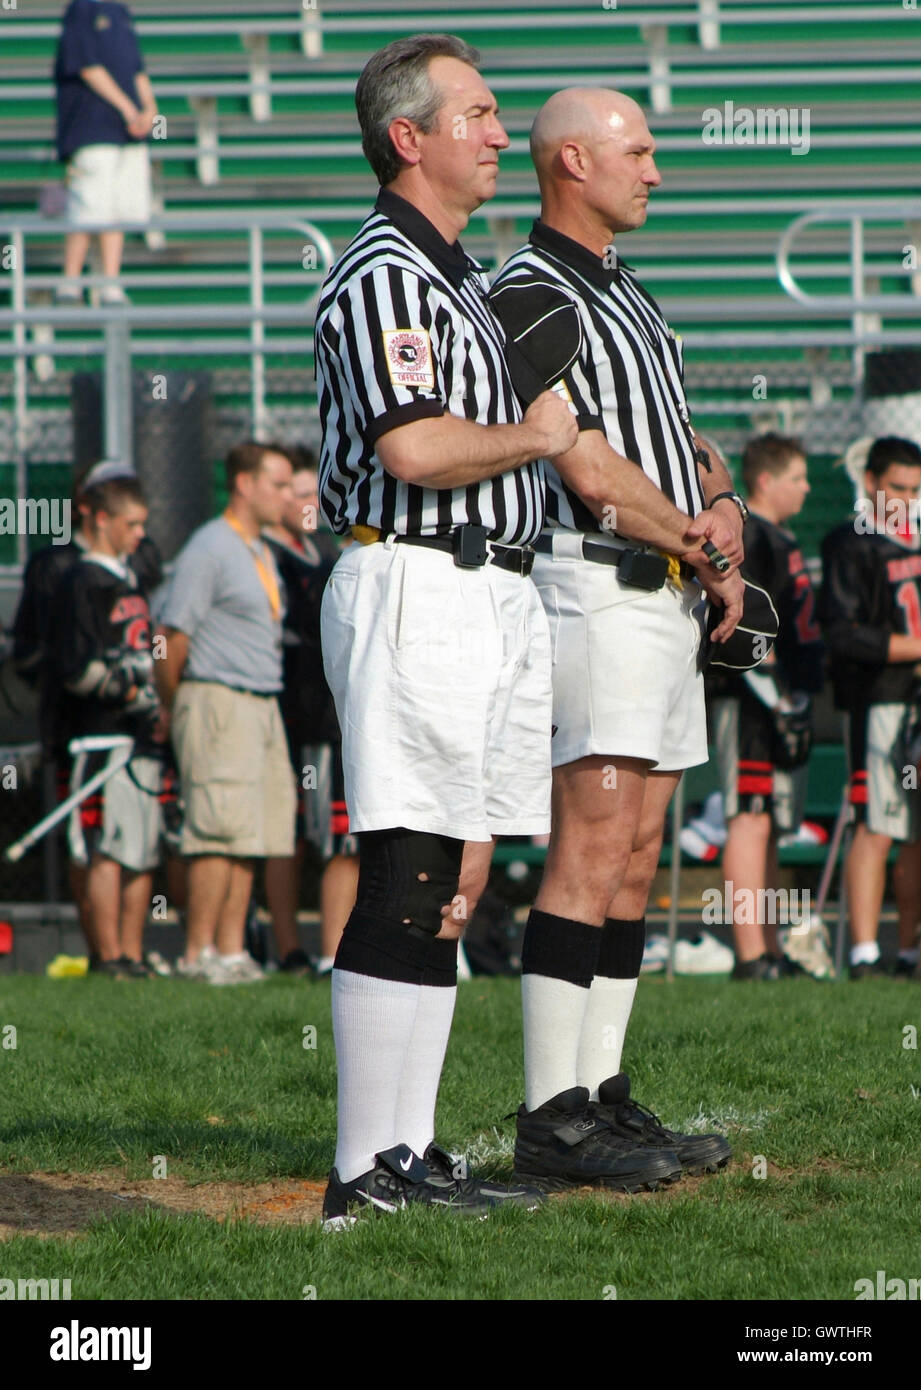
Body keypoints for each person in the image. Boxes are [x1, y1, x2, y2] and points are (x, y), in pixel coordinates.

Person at [313, 33, 580, 1224]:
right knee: (410, 861)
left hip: (489, 586)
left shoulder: (464, 277)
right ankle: (361, 1168)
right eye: (473, 111)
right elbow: (412, 448)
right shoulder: (382, 271)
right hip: (417, 579)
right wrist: (539, 437)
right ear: (405, 137)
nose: (494, 130)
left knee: (457, 872)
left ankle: (408, 1152)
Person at [489, 88, 744, 1187]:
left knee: (638, 852)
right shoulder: (525, 287)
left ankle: (600, 1094)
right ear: (572, 161)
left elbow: (679, 432)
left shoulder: (629, 288)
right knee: (590, 843)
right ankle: (550, 1114)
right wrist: (697, 537)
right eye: (637, 152)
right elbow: (582, 466)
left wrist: (722, 506)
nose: (655, 170)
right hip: (592, 582)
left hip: (662, 584)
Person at [154, 441, 297, 987]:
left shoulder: (259, 548)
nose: (287, 497)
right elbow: (168, 638)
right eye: (278, 485)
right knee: (215, 829)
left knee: (251, 829)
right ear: (244, 483)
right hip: (216, 698)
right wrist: (177, 704)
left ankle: (231, 950)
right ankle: (196, 954)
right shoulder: (208, 547)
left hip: (261, 701)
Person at [11, 459, 162, 968]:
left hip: (137, 736)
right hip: (97, 737)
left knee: (141, 848)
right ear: (99, 518)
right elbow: (76, 667)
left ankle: (135, 955)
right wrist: (129, 692)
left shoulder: (131, 576)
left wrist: (151, 700)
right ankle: (109, 956)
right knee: (105, 847)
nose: (141, 535)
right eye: (131, 525)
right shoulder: (79, 579)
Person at [710, 434, 825, 980]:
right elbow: (746, 626)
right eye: (797, 477)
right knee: (749, 819)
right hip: (752, 696)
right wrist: (777, 697)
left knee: (771, 825)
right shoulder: (752, 538)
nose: (806, 487)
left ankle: (771, 950)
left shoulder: (783, 539)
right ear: (765, 480)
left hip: (779, 699)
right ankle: (750, 953)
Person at [819, 435, 921, 980]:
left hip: (917, 702)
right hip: (879, 698)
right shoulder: (851, 542)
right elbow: (845, 634)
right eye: (897, 488)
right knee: (878, 823)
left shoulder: (918, 539)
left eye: (914, 489)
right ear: (871, 483)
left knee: (914, 831)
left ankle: (907, 951)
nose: (906, 499)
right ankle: (863, 953)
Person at [262, 452, 358, 977]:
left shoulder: (316, 555)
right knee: (336, 841)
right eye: (291, 491)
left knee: (352, 840)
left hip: (343, 723)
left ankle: (340, 952)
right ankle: (322, 953)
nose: (303, 503)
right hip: (319, 725)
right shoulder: (316, 567)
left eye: (306, 492)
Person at [54, 0, 157, 304]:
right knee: (89, 205)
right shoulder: (81, 10)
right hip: (93, 128)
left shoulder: (121, 12)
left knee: (117, 209)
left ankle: (109, 282)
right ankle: (71, 282)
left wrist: (150, 109)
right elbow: (87, 67)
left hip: (127, 134)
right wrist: (129, 109)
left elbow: (137, 69)